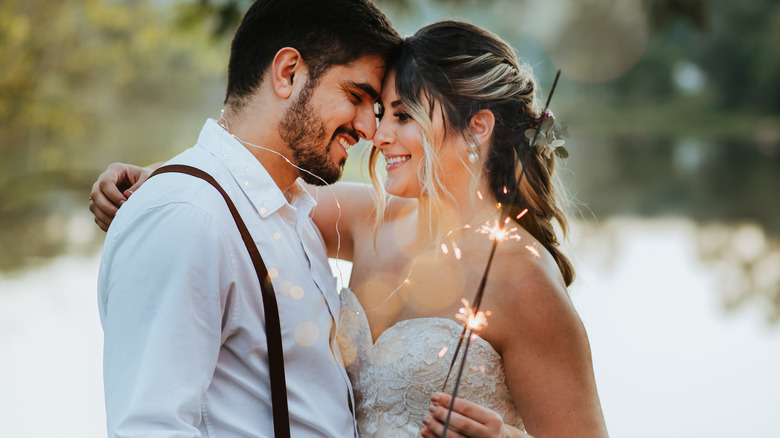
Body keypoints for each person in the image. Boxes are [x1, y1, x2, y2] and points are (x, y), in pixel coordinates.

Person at [92, 20, 608, 438]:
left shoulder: (523, 279)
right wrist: (152, 179)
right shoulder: (367, 219)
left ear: (478, 125)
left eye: (403, 116)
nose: (377, 135)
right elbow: (244, 193)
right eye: (379, 112)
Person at [94, 0, 400, 436]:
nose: (369, 129)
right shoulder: (186, 217)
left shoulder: (292, 211)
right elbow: (151, 426)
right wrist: (174, 193)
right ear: (287, 72)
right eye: (356, 96)